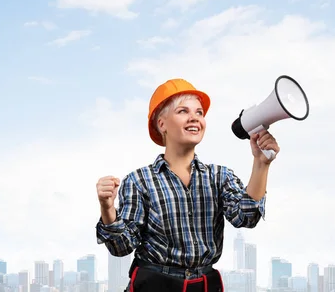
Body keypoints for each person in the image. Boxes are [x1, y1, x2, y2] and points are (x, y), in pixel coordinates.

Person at [95, 78, 280, 292]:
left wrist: (261, 164)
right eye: (183, 111)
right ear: (161, 123)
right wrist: (107, 208)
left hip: (204, 285)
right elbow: (121, 246)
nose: (195, 118)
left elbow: (246, 218)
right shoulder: (140, 181)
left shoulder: (219, 177)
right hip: (154, 285)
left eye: (199, 112)